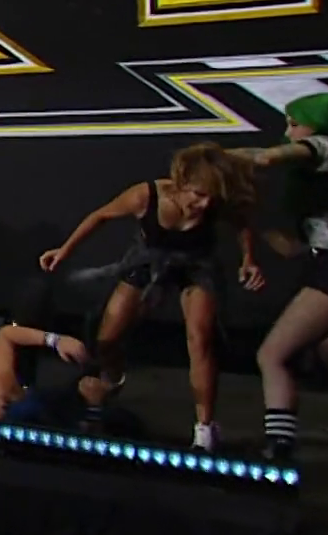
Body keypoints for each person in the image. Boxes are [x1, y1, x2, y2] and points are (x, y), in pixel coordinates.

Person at [39, 143, 263, 452]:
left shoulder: (215, 201)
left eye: (211, 198)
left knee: (200, 339)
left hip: (196, 266)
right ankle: (112, 380)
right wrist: (64, 251)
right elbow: (100, 216)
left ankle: (205, 428)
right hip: (148, 261)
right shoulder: (146, 196)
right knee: (107, 338)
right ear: (181, 183)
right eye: (198, 195)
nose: (204, 204)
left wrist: (248, 259)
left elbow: (242, 223)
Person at [230, 92, 328, 462]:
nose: (289, 132)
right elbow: (289, 249)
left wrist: (213, 157)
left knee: (273, 355)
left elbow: (267, 157)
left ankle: (279, 446)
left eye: (295, 124)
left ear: (319, 123)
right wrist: (249, 217)